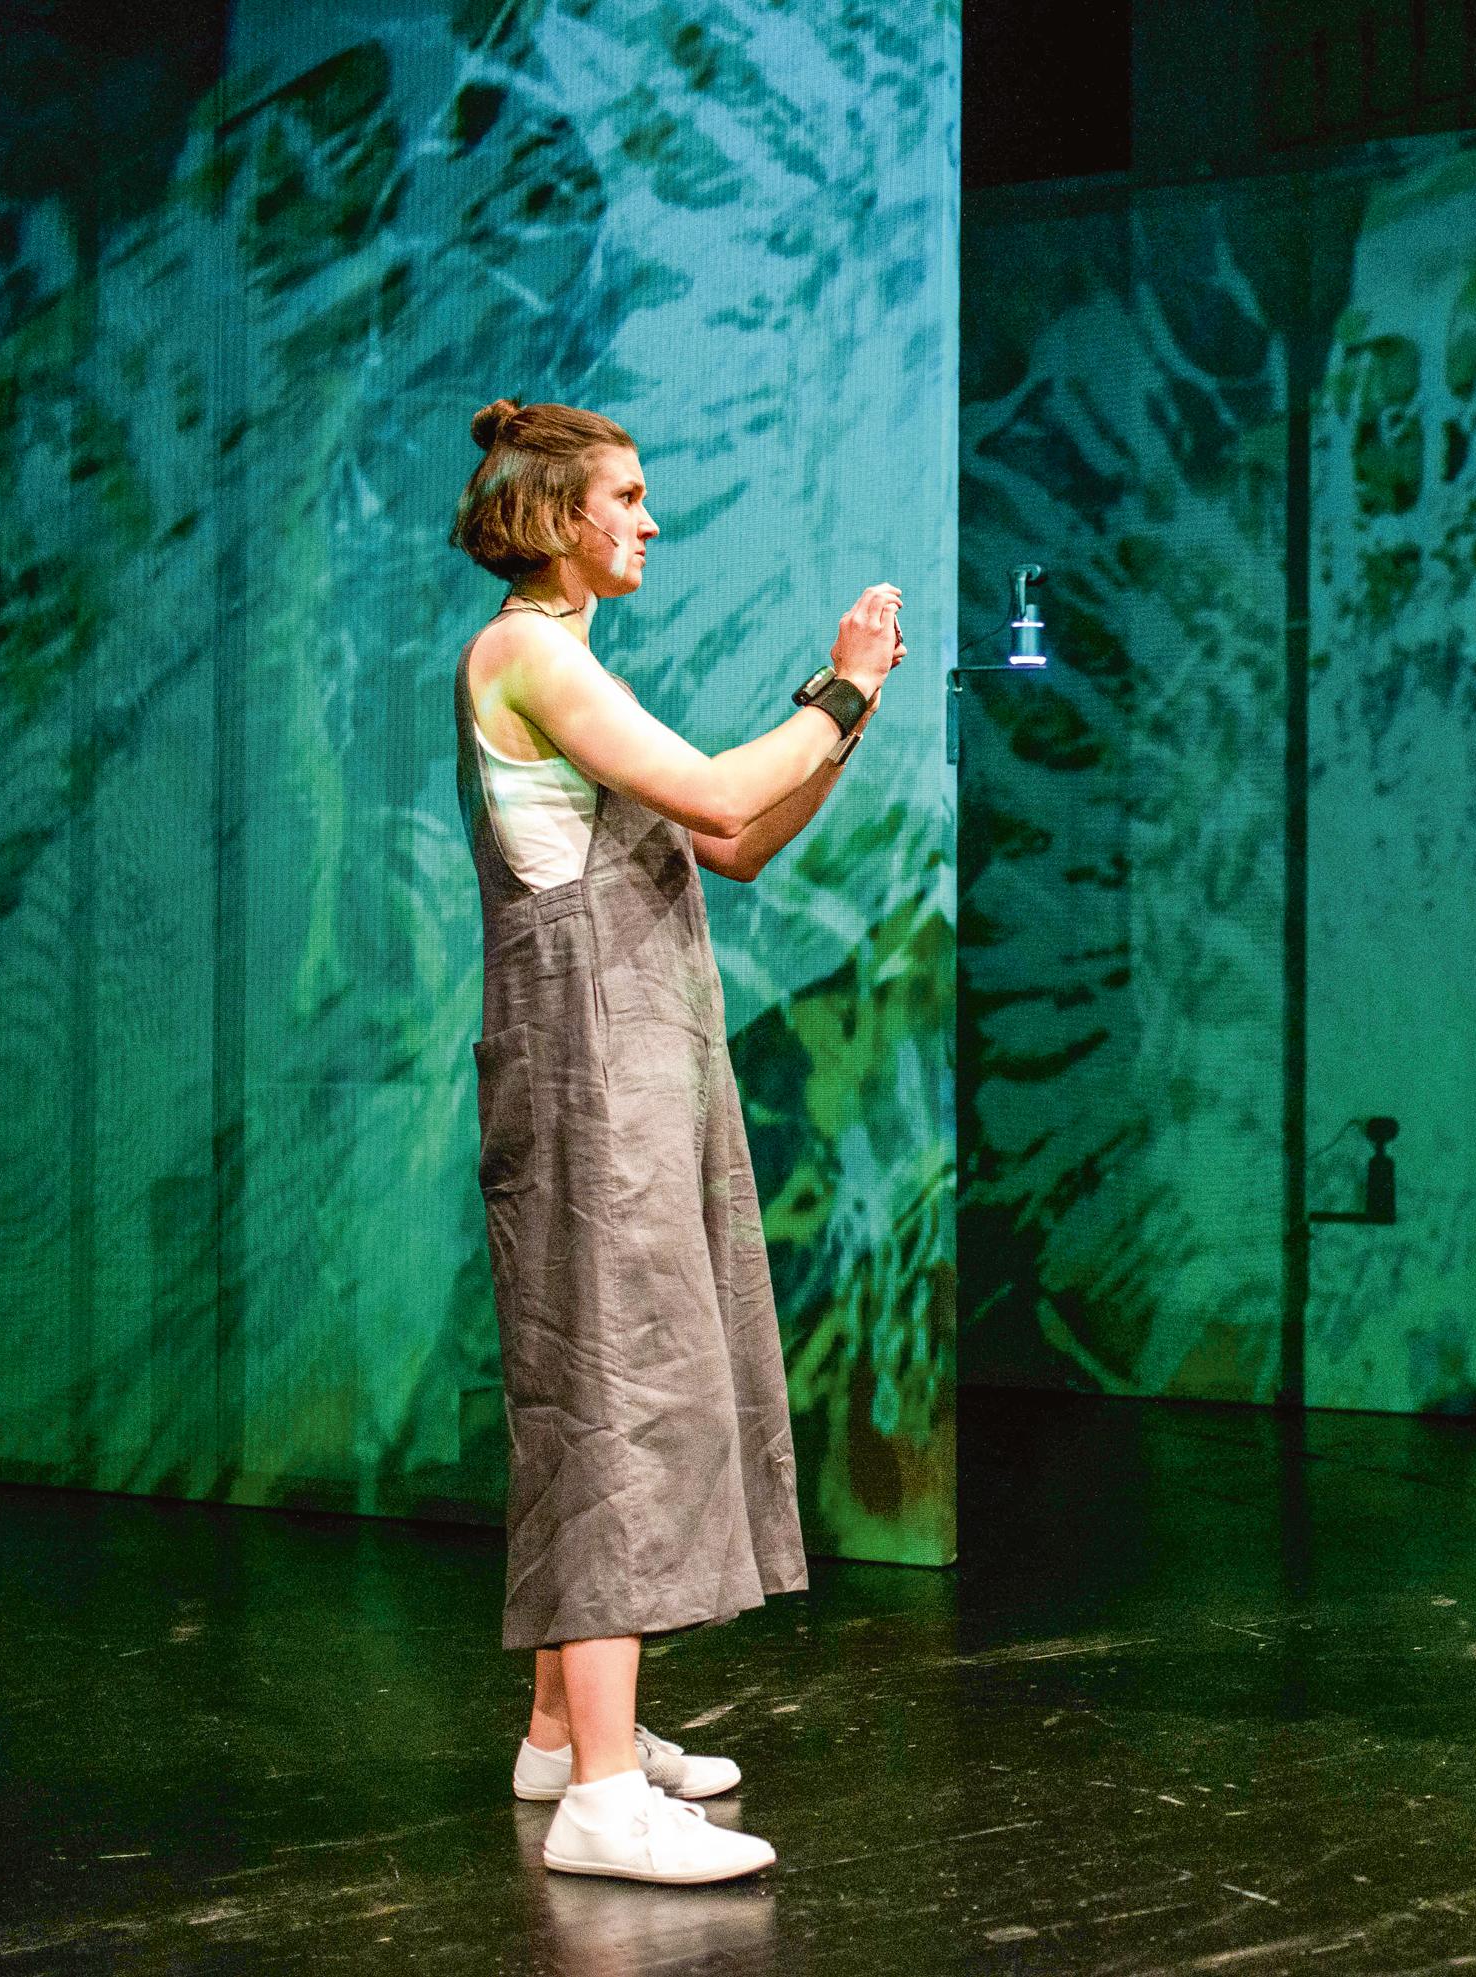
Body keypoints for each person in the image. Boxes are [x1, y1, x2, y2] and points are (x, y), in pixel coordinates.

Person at [449, 398, 903, 1881]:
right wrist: (832, 694)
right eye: (627, 497)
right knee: (612, 1388)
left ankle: (560, 1735)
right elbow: (717, 788)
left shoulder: (571, 662)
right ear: (558, 514)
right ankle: (596, 1795)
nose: (649, 520)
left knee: (636, 1366)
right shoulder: (522, 652)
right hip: (589, 1066)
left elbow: (737, 838)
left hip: (640, 1064)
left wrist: (852, 711)